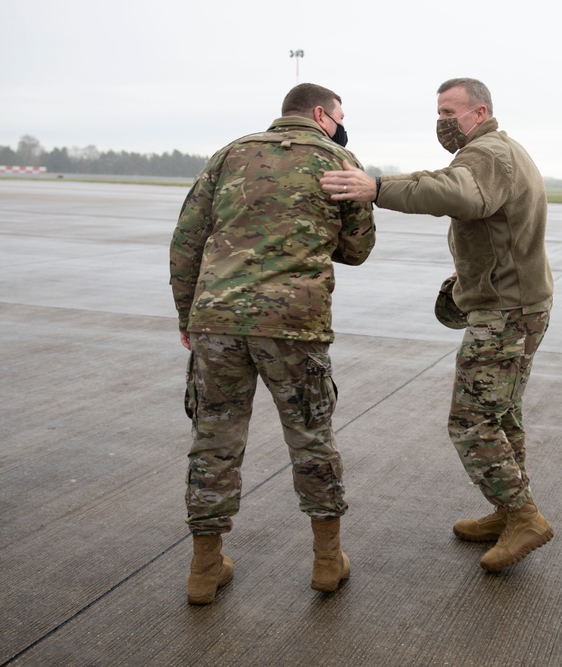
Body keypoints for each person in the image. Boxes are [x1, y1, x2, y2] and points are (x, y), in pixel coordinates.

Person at [321, 77, 554, 572]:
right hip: (515, 303)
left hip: (506, 311)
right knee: (500, 414)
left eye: (451, 112)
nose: (443, 121)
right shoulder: (492, 150)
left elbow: (459, 193)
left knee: (471, 420)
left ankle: (524, 516)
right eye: (439, 112)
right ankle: (506, 512)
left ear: (480, 111)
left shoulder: (488, 155)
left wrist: (377, 188)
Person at [170, 83, 375, 603]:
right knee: (311, 438)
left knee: (214, 442)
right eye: (340, 117)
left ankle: (204, 569)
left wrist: (187, 316)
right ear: (322, 114)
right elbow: (357, 249)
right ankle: (327, 562)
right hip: (294, 325)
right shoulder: (338, 160)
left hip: (218, 322)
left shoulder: (229, 155)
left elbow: (186, 243)